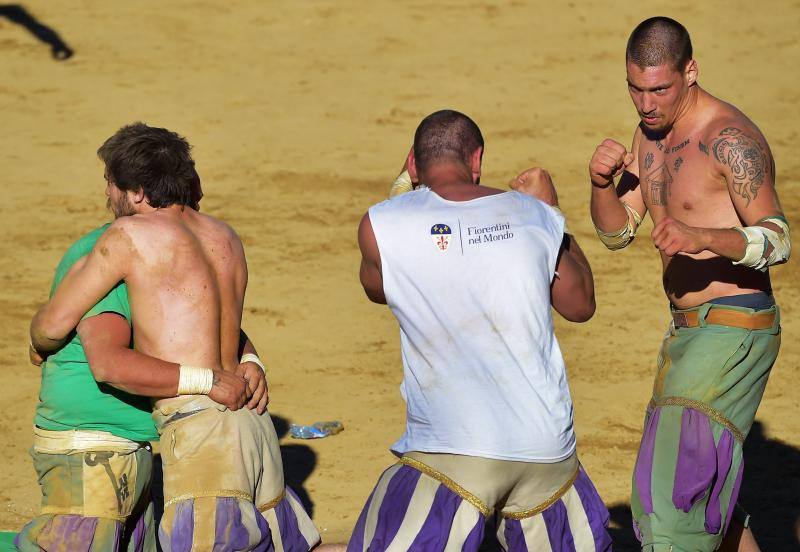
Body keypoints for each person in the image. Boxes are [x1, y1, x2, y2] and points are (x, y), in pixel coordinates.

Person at [29, 123, 321, 551]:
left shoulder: (129, 237)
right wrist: (252, 361)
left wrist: (37, 342)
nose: (106, 195)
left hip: (203, 434)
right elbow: (209, 321)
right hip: (252, 426)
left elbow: (53, 328)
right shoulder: (225, 236)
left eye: (111, 184)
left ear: (138, 193)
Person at [349, 109, 612, 551]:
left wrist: (400, 189)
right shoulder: (533, 215)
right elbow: (580, 304)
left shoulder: (381, 225)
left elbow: (377, 286)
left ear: (414, 164)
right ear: (477, 160)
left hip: (452, 455)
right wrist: (552, 211)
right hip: (546, 453)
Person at [589, 17, 789, 552]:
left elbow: (778, 239)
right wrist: (600, 186)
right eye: (636, 88)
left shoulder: (731, 140)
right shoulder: (647, 134)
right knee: (703, 501)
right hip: (685, 335)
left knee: (671, 502)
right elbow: (616, 234)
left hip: (733, 328)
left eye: (659, 89)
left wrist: (701, 235)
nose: (646, 103)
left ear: (691, 72)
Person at [16, 176, 268, 551]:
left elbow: (193, 319)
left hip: (133, 449)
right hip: (93, 444)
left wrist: (249, 358)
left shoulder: (163, 244)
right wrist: (208, 379)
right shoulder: (116, 248)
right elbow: (108, 363)